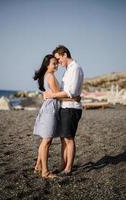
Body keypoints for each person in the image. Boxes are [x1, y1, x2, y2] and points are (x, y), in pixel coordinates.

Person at [44, 45, 84, 176]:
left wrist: (52, 95)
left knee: (69, 139)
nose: (58, 62)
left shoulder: (75, 68)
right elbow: (65, 92)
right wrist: (49, 92)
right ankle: (63, 165)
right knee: (63, 139)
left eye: (58, 58)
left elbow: (70, 92)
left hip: (71, 109)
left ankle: (68, 168)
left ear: (64, 54)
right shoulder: (67, 70)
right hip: (65, 107)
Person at [33, 54, 60, 179]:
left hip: (47, 107)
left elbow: (50, 93)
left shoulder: (46, 75)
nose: (56, 65)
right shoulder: (51, 76)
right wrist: (73, 97)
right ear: (47, 65)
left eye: (56, 63)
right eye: (53, 63)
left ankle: (38, 166)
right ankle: (45, 172)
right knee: (47, 140)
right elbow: (57, 95)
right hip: (50, 109)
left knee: (45, 140)